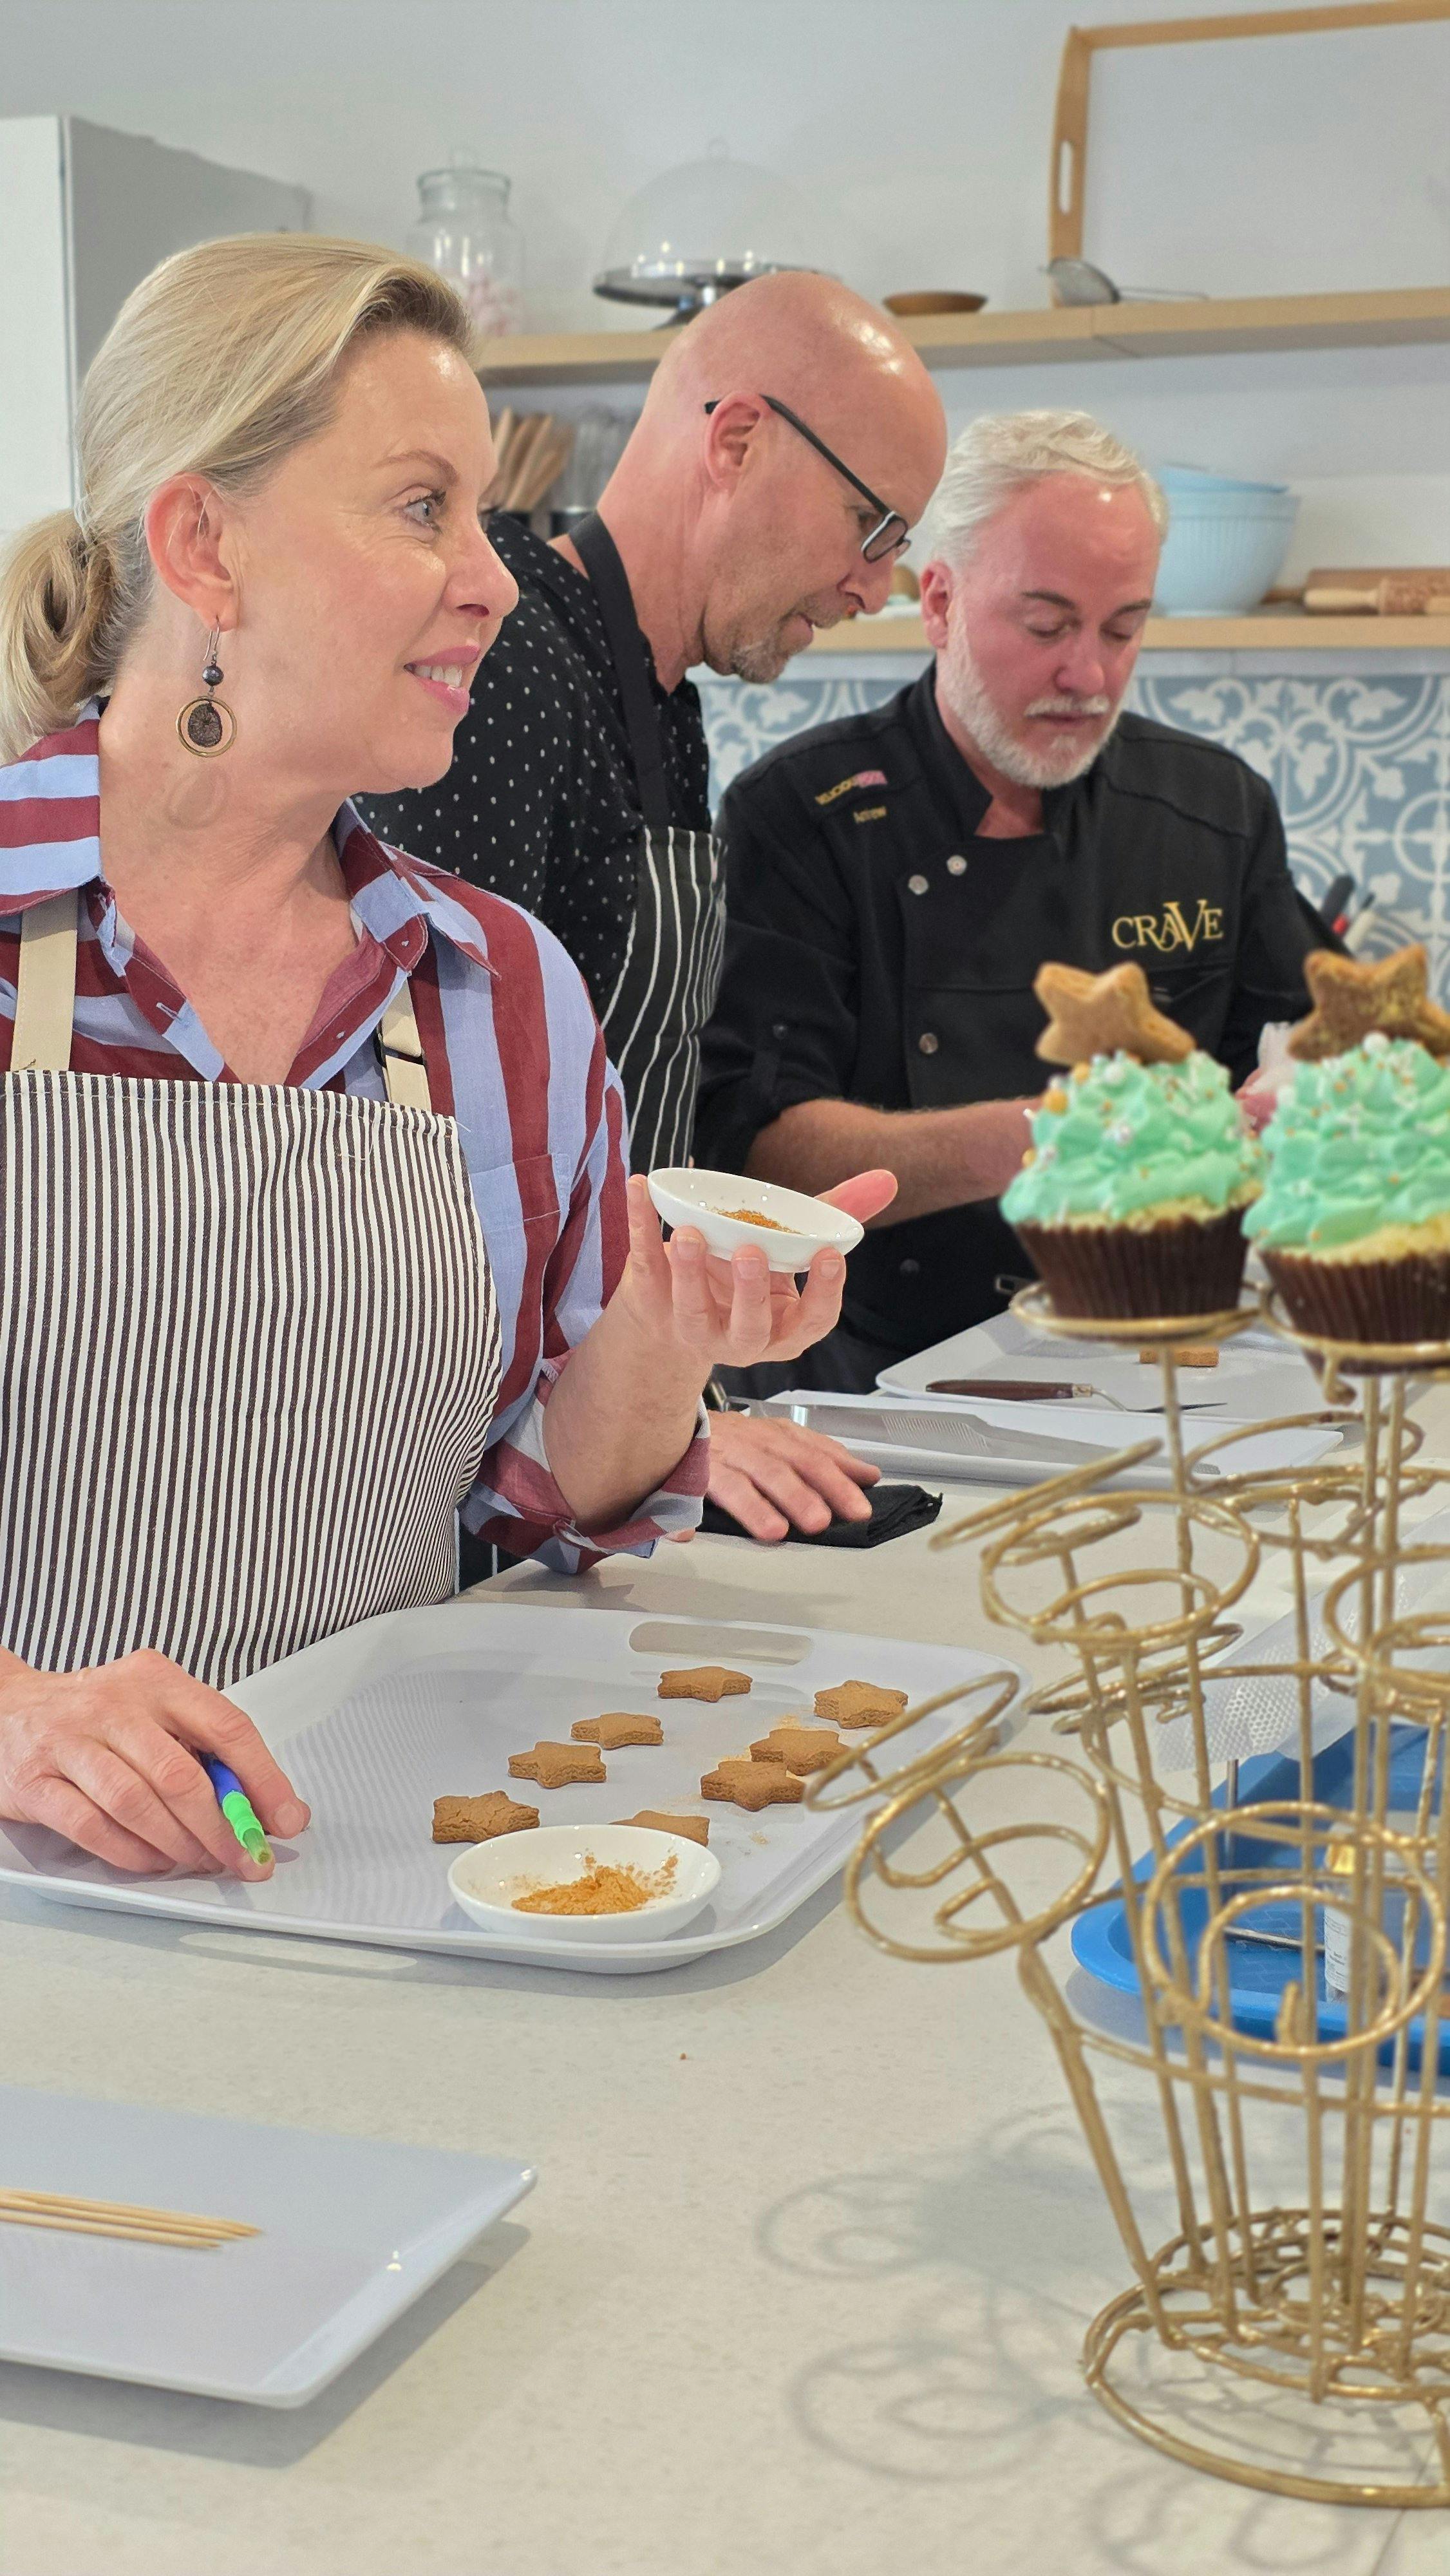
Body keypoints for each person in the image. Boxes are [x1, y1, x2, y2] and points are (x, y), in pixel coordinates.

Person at [0, 233, 890, 1879]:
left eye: (482, 514)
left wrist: (667, 1334)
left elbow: (532, 1500)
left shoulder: (503, 993)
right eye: (424, 509)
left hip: (362, 1878)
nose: (491, 572)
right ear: (205, 543)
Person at [362, 272, 945, 1542]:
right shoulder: (513, 668)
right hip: (491, 1474)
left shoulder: (658, 696)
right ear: (734, 440)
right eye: (873, 525)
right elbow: (434, 1158)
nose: (876, 586)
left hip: (618, 1411)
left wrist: (678, 1376)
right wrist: (658, 1419)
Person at [695, 408, 1332, 1392]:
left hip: (1165, 1359)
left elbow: (1307, 1051)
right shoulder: (801, 814)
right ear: (940, 602)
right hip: (872, 1383)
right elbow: (762, 1159)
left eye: (1124, 628)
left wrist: (1298, 1107)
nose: (1088, 674)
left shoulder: (1214, 808)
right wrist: (1050, 1136)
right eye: (1046, 626)